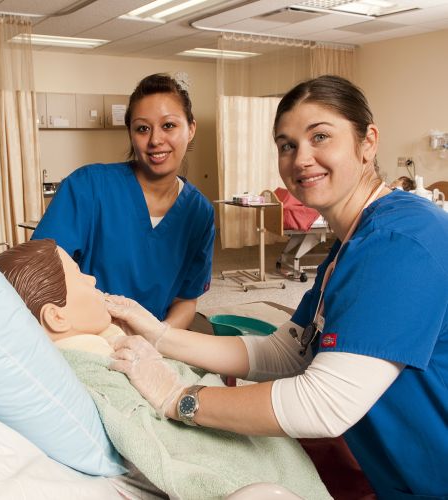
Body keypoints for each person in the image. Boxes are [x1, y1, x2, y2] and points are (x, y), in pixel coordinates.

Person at [107, 75, 448, 499]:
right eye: (287, 145)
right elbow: (286, 352)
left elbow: (324, 404)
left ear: (368, 141)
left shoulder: (403, 241)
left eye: (320, 136)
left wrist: (178, 397)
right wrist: (159, 335)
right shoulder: (348, 251)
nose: (302, 158)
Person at [0, 239, 330, 500]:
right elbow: (156, 446)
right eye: (80, 277)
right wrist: (175, 394)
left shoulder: (110, 343)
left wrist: (156, 335)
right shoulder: (89, 370)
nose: (93, 277)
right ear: (57, 317)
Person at [32, 73, 215, 329]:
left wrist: (158, 340)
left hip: (157, 338)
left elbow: (186, 299)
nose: (155, 140)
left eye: (169, 126)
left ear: (191, 129)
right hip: (87, 334)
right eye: (142, 128)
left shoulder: (199, 212)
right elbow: (40, 274)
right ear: (130, 133)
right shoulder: (88, 187)